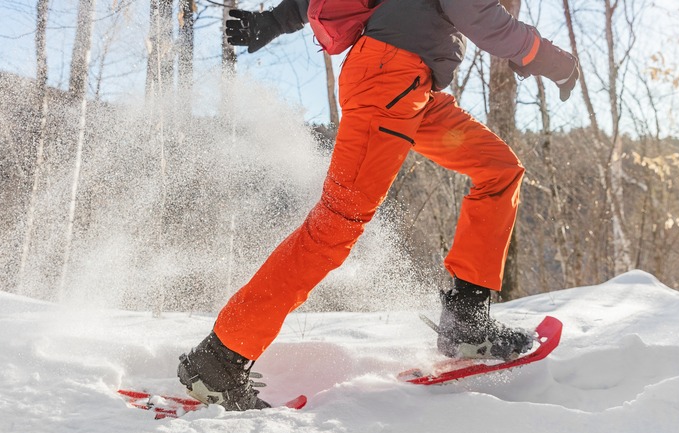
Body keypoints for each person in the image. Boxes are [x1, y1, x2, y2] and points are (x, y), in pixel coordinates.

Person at [177, 0, 579, 411]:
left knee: (498, 170)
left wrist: (272, 21)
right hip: (389, 78)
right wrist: (551, 60)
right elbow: (478, 16)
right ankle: (220, 358)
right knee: (334, 227)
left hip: (413, 86)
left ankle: (467, 323)